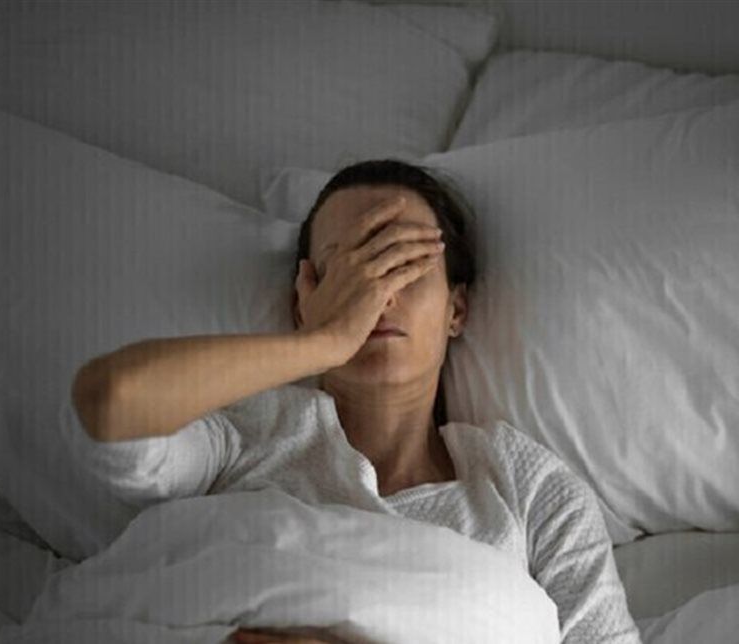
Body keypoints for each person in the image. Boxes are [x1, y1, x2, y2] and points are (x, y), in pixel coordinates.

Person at [68, 159, 642, 644]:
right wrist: (322, 342)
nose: (379, 294)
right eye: (350, 271)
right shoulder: (246, 434)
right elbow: (111, 402)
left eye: (404, 265)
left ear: (457, 309)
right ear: (304, 302)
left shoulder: (533, 493)